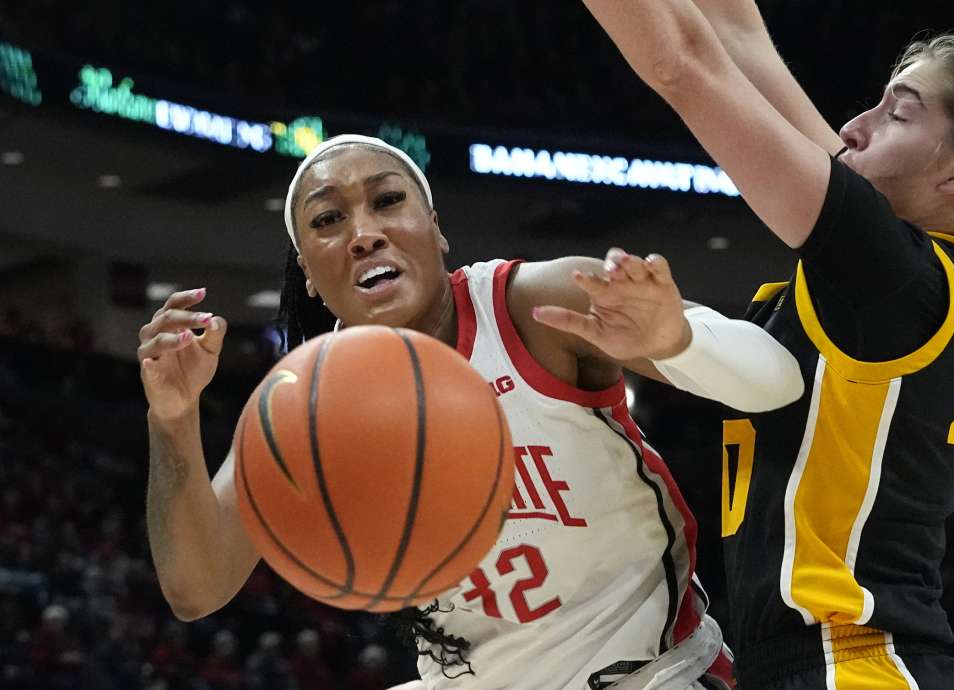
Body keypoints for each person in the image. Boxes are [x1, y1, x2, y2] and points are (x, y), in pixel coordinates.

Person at [577, 2, 954, 689]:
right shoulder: (906, 267)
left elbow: (683, 64)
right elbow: (741, 35)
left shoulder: (889, 275)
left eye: (896, 114)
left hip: (850, 663)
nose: (851, 127)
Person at [137, 134, 806, 689]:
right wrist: (172, 420)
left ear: (436, 229)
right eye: (328, 219)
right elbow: (196, 588)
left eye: (387, 201)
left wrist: (678, 340)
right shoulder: (310, 404)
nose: (364, 233)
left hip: (647, 676)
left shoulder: (531, 304)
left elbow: (776, 380)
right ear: (309, 270)